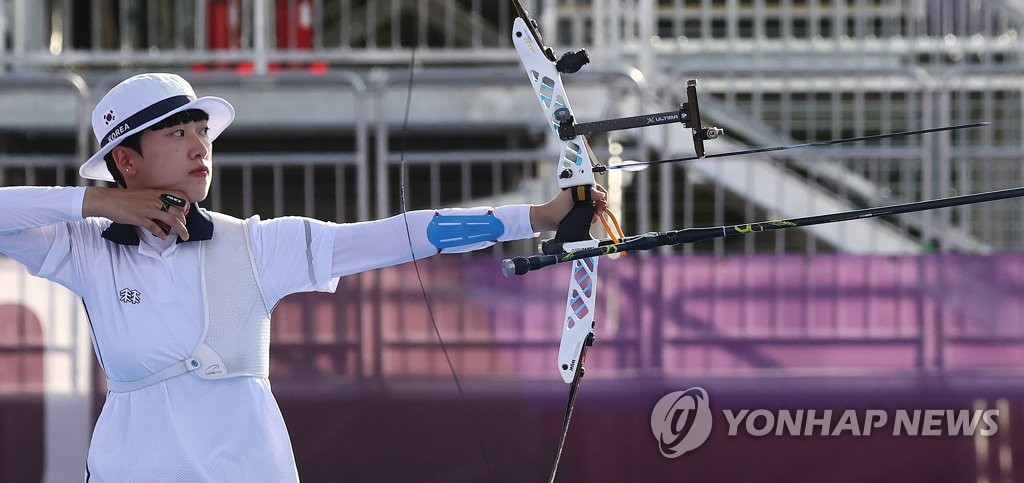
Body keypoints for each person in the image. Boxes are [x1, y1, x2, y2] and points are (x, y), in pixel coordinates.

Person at [0, 72, 606, 481]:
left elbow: (402, 234)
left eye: (202, 132)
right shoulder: (85, 249)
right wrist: (104, 204)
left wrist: (539, 216)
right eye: (177, 133)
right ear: (126, 161)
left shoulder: (260, 244)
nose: (198, 146)